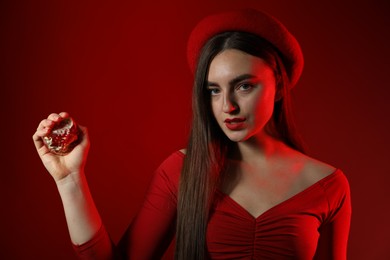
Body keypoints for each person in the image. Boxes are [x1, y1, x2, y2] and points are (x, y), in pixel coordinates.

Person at [33, 8, 351, 260]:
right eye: (213, 90)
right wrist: (70, 181)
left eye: (244, 86)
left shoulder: (327, 185)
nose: (227, 105)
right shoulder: (181, 172)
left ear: (279, 86)